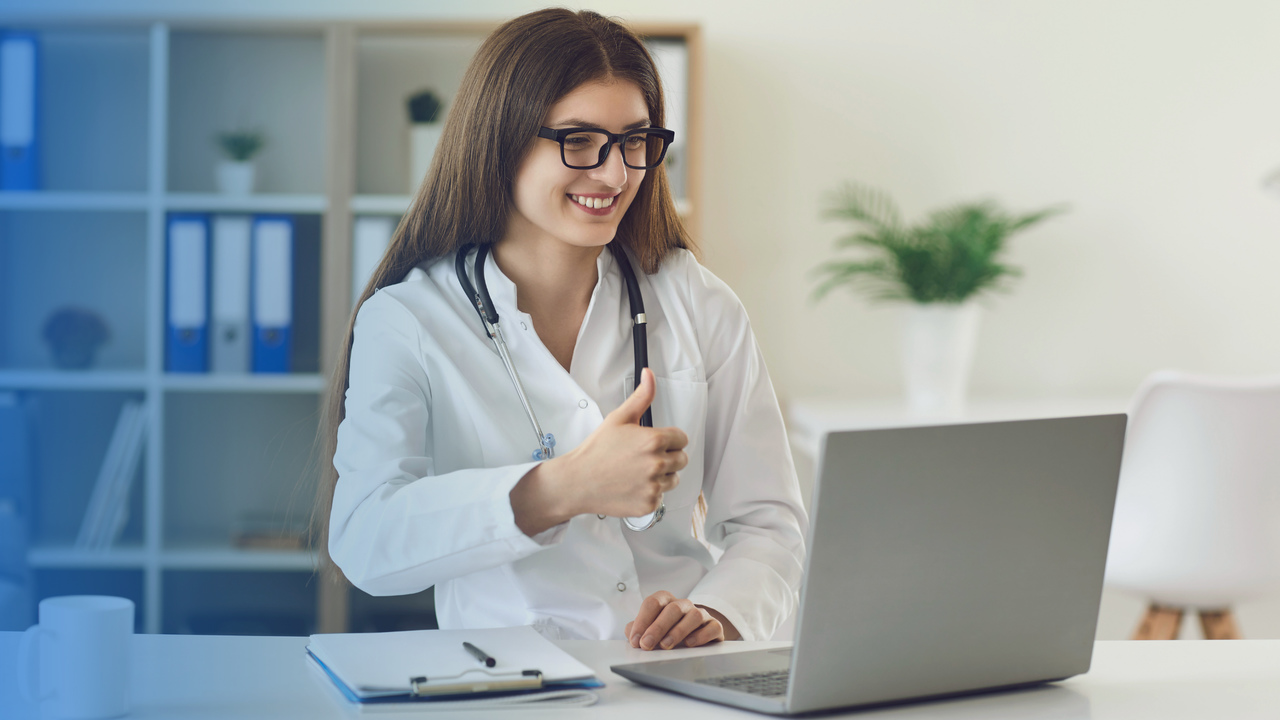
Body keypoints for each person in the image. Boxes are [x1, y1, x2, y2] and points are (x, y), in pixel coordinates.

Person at [315, 8, 807, 650]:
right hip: (506, 685)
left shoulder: (696, 300)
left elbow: (769, 525)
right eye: (579, 141)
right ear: (501, 141)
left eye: (635, 141)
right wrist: (563, 488)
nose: (614, 174)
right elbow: (365, 538)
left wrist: (722, 615)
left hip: (676, 682)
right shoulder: (410, 319)